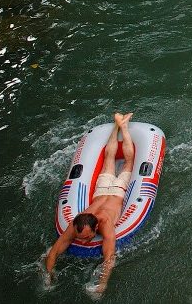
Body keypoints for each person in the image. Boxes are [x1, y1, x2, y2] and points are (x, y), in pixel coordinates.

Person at [44, 113, 134, 295]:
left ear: (96, 227)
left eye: (86, 237)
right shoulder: (76, 224)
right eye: (82, 237)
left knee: (128, 162)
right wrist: (49, 274)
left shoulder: (105, 224)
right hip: (101, 191)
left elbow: (109, 258)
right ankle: (117, 125)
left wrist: (102, 284)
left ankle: (122, 127)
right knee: (108, 159)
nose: (83, 240)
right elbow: (53, 252)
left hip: (117, 191)